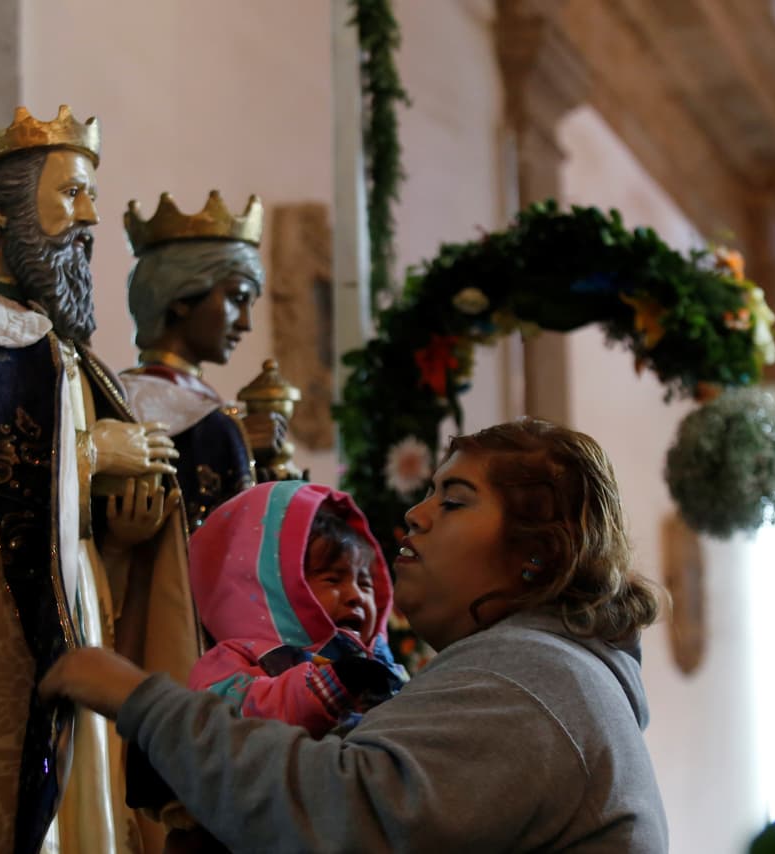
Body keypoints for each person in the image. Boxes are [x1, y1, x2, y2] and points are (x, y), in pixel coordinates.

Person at [40, 417, 669, 852]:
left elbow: (339, 812)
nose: (415, 516)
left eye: (453, 501)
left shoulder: (529, 680)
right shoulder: (545, 674)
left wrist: (140, 700)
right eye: (428, 494)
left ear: (538, 553)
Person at [0, 106, 199, 854]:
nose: (89, 216)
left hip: (76, 605)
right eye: (70, 195)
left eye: (89, 194)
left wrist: (124, 519)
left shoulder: (47, 343)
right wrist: (93, 456)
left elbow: (61, 498)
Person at [120, 191, 286, 529]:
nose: (245, 323)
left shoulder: (203, 407)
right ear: (180, 296)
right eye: (237, 299)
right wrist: (234, 439)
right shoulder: (129, 400)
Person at [187, 481, 405, 736]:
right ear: (276, 587)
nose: (356, 595)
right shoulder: (241, 658)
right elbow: (223, 724)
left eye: (365, 583)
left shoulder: (384, 667)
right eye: (333, 580)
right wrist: (321, 691)